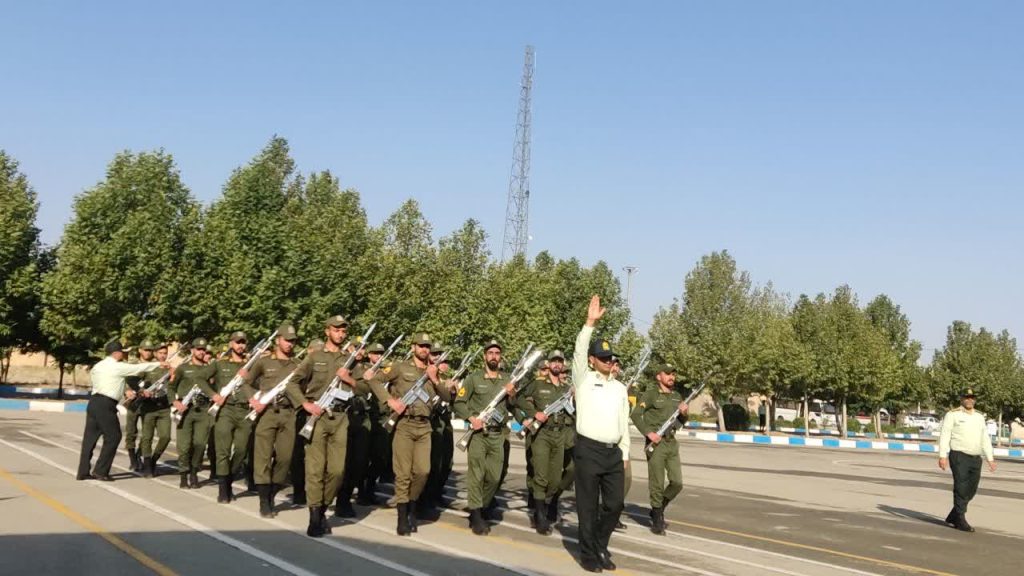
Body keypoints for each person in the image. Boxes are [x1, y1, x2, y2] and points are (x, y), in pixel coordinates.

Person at [366, 332, 449, 536]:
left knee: (423, 471)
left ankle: (412, 505)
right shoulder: (399, 367)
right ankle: (403, 516)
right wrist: (389, 400)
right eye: (421, 346)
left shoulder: (433, 371)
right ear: (413, 347)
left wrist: (435, 378)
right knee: (403, 473)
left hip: (424, 427)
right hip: (404, 425)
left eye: (427, 346)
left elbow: (448, 396)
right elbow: (375, 381)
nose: (425, 349)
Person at [286, 315, 362, 538]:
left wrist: (349, 379)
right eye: (336, 329)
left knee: (337, 471)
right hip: (318, 417)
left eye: (343, 330)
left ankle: (322, 507)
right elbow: (292, 383)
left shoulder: (351, 360)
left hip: (340, 418)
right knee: (315, 470)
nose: (340, 333)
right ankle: (314, 517)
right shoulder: (314, 357)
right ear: (327, 331)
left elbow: (365, 388)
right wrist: (305, 404)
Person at [572, 295, 630, 572]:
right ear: (593, 360)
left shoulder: (620, 388)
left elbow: (624, 422)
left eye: (611, 358)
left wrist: (626, 454)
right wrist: (589, 324)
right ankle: (589, 554)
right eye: (603, 358)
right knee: (587, 507)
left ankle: (599, 543)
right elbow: (579, 348)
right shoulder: (583, 378)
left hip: (612, 453)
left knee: (615, 504)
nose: (608, 362)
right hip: (588, 450)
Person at [77, 339, 166, 481]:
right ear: (116, 353)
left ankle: (83, 471)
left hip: (94, 403)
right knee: (114, 437)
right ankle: (100, 471)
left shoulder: (98, 366)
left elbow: (115, 381)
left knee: (89, 439)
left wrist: (128, 391)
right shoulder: (117, 367)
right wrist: (159, 364)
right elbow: (138, 369)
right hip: (106, 404)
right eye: (123, 352)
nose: (125, 355)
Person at [454, 339, 515, 535]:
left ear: (500, 356)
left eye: (497, 353)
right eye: (490, 353)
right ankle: (476, 513)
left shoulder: (507, 380)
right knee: (476, 475)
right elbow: (459, 402)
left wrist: (512, 395)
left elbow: (514, 406)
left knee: (494, 477)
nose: (494, 356)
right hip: (479, 434)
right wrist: (471, 418)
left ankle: (483, 505)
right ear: (485, 356)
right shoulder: (473, 378)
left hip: (498, 435)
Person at [243, 323, 301, 518]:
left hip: (288, 413)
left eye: (293, 341)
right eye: (287, 340)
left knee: (285, 458)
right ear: (278, 340)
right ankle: (263, 501)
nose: (290, 344)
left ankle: (273, 493)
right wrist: (253, 399)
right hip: (266, 412)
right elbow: (246, 382)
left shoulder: (297, 366)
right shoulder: (263, 362)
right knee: (263, 458)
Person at [630, 363, 688, 535]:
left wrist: (684, 414)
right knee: (657, 482)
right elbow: (635, 415)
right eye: (668, 374)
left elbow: (680, 422)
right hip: (656, 444)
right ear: (659, 376)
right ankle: (657, 517)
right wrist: (648, 433)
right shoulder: (650, 395)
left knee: (677, 482)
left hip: (671, 442)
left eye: (673, 374)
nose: (671, 377)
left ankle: (658, 507)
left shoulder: (677, 396)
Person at [518, 350, 570, 535]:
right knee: (540, 476)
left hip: (560, 434)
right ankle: (540, 516)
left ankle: (546, 505)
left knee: (555, 479)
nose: (557, 364)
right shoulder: (538, 385)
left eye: (560, 361)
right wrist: (533, 413)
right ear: (548, 364)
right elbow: (519, 398)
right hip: (541, 434)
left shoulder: (565, 388)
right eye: (554, 361)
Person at [938, 387, 996, 532]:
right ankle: (960, 519)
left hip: (976, 458)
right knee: (961, 487)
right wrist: (942, 455)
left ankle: (954, 515)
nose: (970, 400)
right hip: (959, 456)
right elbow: (945, 435)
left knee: (972, 489)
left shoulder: (979, 416)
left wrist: (990, 458)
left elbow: (984, 438)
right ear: (961, 399)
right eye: (967, 397)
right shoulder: (953, 415)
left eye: (972, 397)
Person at [169, 338, 220, 489]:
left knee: (200, 444)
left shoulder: (210, 370)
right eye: (198, 349)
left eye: (204, 349)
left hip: (203, 411)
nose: (201, 352)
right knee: (184, 446)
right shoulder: (183, 368)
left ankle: (194, 472)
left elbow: (216, 389)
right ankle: (184, 474)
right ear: (192, 350)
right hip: (185, 410)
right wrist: (175, 402)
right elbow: (171, 388)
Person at [211, 331, 252, 503]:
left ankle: (228, 480)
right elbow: (200, 377)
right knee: (223, 451)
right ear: (231, 344)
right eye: (237, 342)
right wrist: (213, 395)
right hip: (226, 410)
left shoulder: (251, 365)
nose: (240, 346)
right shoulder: (220, 364)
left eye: (243, 342)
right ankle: (223, 489)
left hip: (244, 411)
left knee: (241, 451)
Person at [138, 342, 173, 478]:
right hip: (149, 406)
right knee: (147, 437)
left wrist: (173, 373)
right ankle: (147, 464)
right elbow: (135, 381)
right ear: (155, 353)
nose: (163, 356)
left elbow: (174, 384)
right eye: (160, 353)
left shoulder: (169, 368)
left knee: (165, 437)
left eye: (165, 353)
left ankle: (153, 460)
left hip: (164, 407)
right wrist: (142, 391)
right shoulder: (148, 367)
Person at [124, 340, 157, 472]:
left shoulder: (155, 366)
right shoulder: (132, 365)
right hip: (134, 402)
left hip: (148, 403)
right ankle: (133, 459)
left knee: (147, 434)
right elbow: (124, 381)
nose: (148, 352)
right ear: (140, 350)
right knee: (131, 432)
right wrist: (127, 392)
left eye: (150, 350)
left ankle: (139, 455)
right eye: (145, 350)